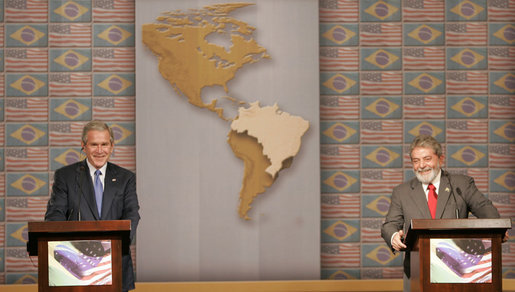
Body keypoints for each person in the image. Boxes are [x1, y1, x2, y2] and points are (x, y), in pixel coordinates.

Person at [381, 134, 507, 290]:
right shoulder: (402, 192)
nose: (421, 165)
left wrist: (497, 230)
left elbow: (487, 211)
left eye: (427, 159)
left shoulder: (461, 185)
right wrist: (393, 236)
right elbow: (390, 224)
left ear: (440, 159)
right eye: (416, 161)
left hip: (459, 272)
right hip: (417, 271)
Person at [45, 120, 140, 291]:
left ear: (112, 146)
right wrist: (72, 249)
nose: (99, 150)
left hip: (114, 264)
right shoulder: (65, 176)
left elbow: (132, 215)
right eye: (94, 144)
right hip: (75, 268)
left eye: (104, 144)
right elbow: (55, 216)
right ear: (84, 146)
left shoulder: (126, 178)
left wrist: (112, 247)